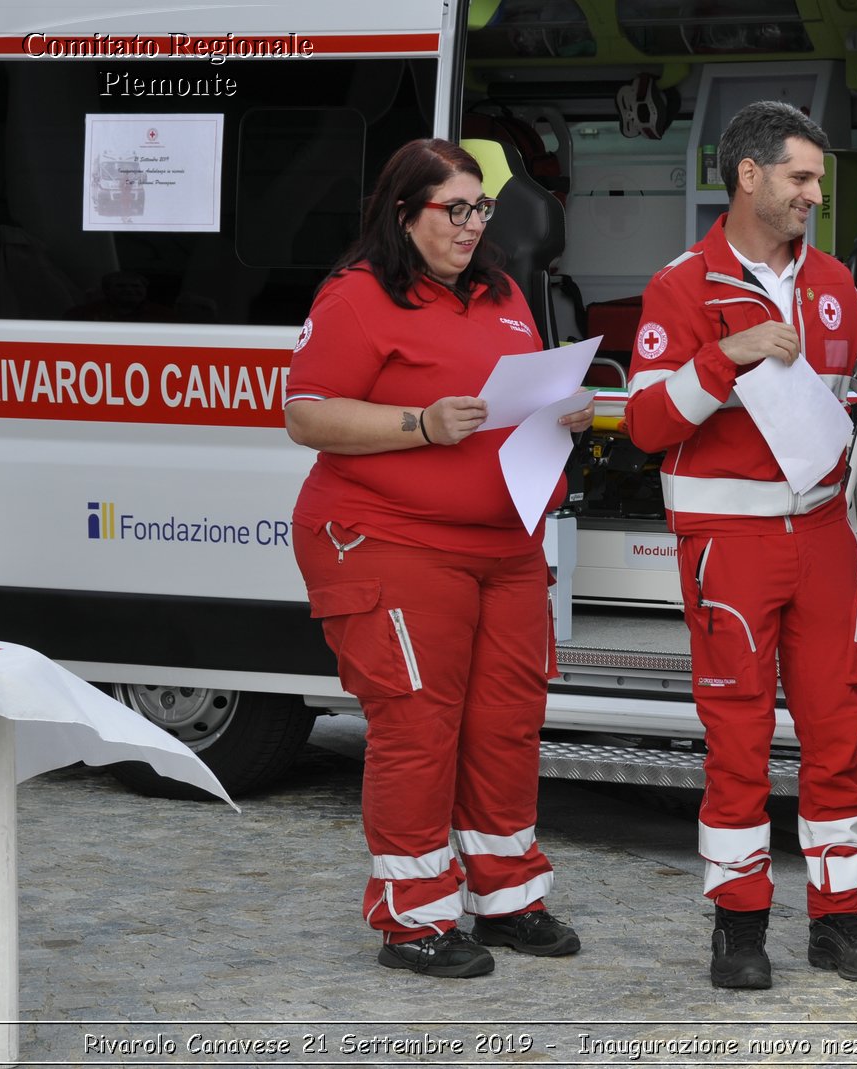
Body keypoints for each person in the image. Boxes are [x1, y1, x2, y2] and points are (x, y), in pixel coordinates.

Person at [624, 101, 857, 990]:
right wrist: (728, 356)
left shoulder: (831, 278)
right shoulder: (682, 285)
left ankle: (836, 920)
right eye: (801, 177)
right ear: (749, 175)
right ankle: (739, 925)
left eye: (817, 180)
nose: (814, 195)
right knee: (738, 741)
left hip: (826, 535)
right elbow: (641, 423)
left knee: (839, 737)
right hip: (729, 544)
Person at [284, 138, 593, 979]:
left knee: (505, 722)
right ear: (402, 213)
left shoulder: (499, 292)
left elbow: (514, 394)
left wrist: (557, 411)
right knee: (419, 728)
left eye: (480, 207)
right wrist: (420, 423)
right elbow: (306, 415)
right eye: (451, 209)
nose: (470, 224)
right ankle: (413, 917)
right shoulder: (357, 298)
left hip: (505, 544)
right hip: (389, 541)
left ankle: (506, 897)